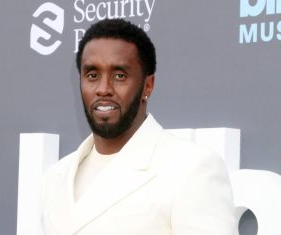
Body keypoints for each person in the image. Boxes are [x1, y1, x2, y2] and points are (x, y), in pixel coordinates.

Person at [41, 19, 235, 235]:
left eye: (119, 76)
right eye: (92, 75)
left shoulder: (192, 168)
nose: (103, 89)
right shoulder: (56, 176)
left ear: (147, 86)